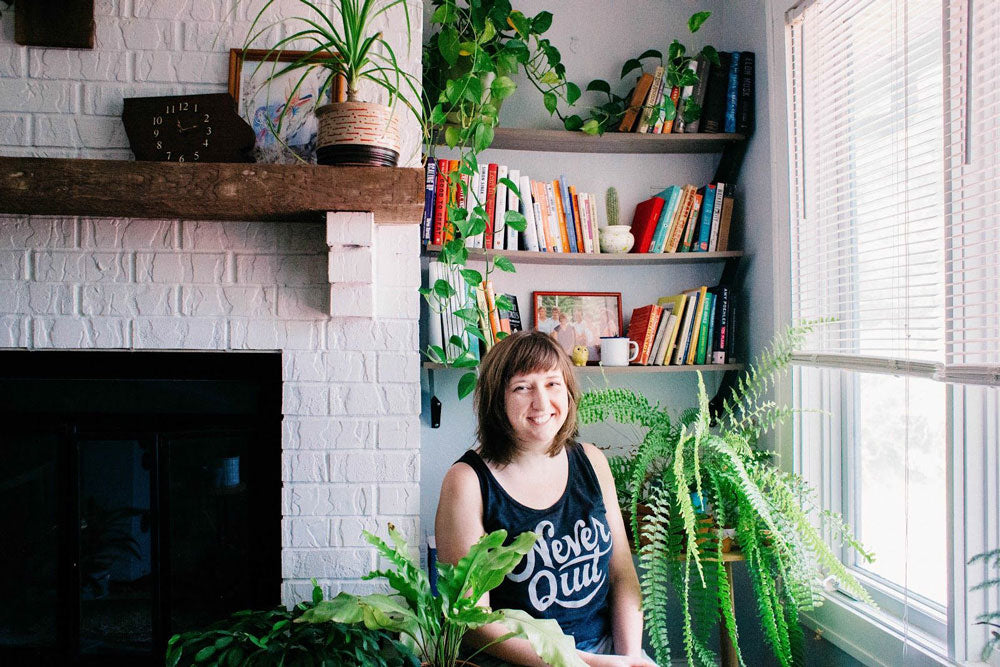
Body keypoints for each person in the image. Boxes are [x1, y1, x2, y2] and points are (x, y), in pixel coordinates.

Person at [435, 331, 656, 667]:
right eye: (522, 387)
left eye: (552, 384)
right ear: (497, 399)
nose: (541, 402)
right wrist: (580, 663)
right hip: (519, 661)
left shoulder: (593, 462)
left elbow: (622, 574)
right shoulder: (467, 482)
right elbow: (473, 621)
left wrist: (627, 658)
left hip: (606, 653)